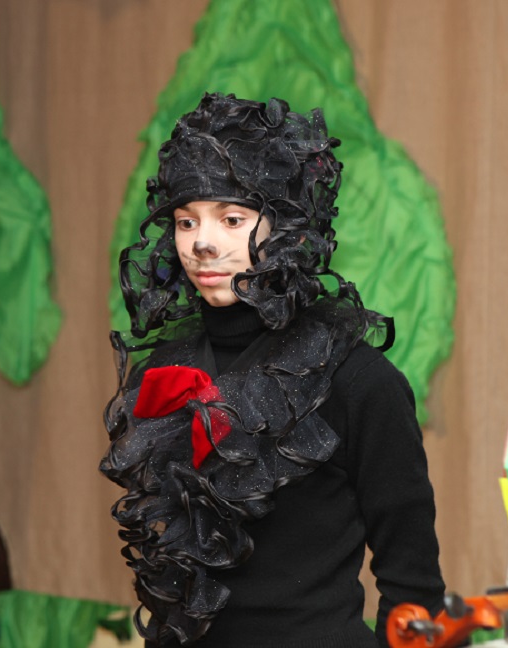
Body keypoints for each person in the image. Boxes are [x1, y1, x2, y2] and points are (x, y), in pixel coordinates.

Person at [101, 93, 445, 648]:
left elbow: (413, 584)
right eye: (186, 222)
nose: (202, 242)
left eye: (232, 219)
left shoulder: (358, 381)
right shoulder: (161, 372)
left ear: (286, 228)